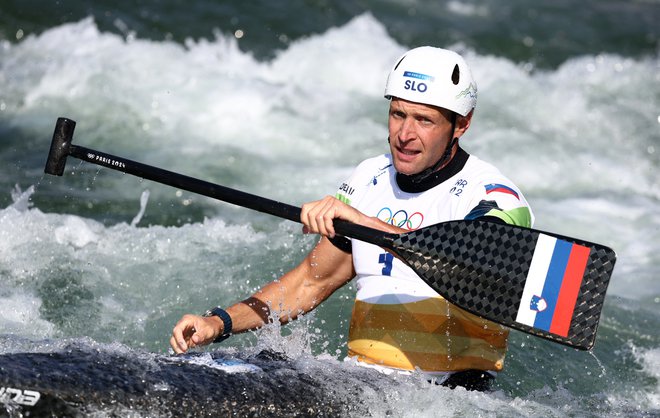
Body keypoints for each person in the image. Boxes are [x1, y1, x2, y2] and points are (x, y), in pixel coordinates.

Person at [170, 46, 533, 391]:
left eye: (424, 120)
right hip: (360, 382)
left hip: (445, 395)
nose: (405, 134)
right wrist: (218, 323)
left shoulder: (495, 197)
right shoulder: (368, 177)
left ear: (461, 125)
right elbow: (310, 282)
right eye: (398, 114)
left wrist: (361, 221)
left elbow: (473, 268)